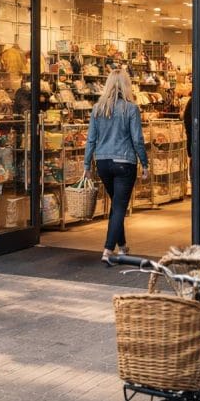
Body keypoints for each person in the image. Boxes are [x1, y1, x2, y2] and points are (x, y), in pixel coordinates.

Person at [83, 69, 149, 263]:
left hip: (103, 162)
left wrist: (87, 164)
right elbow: (137, 139)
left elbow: (91, 140)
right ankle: (108, 250)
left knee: (116, 205)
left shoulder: (97, 108)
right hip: (124, 162)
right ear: (126, 85)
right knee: (120, 206)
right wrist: (144, 163)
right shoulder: (130, 108)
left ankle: (122, 247)